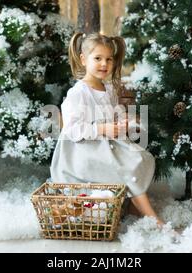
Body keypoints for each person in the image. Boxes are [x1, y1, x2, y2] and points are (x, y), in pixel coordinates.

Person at [50, 32, 163, 226]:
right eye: (98, 58)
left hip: (106, 144)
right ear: (83, 60)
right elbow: (72, 129)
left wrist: (125, 120)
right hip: (83, 151)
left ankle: (134, 205)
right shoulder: (78, 92)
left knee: (138, 158)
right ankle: (153, 219)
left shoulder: (107, 88)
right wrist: (103, 128)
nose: (104, 64)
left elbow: (113, 112)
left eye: (109, 59)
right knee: (126, 168)